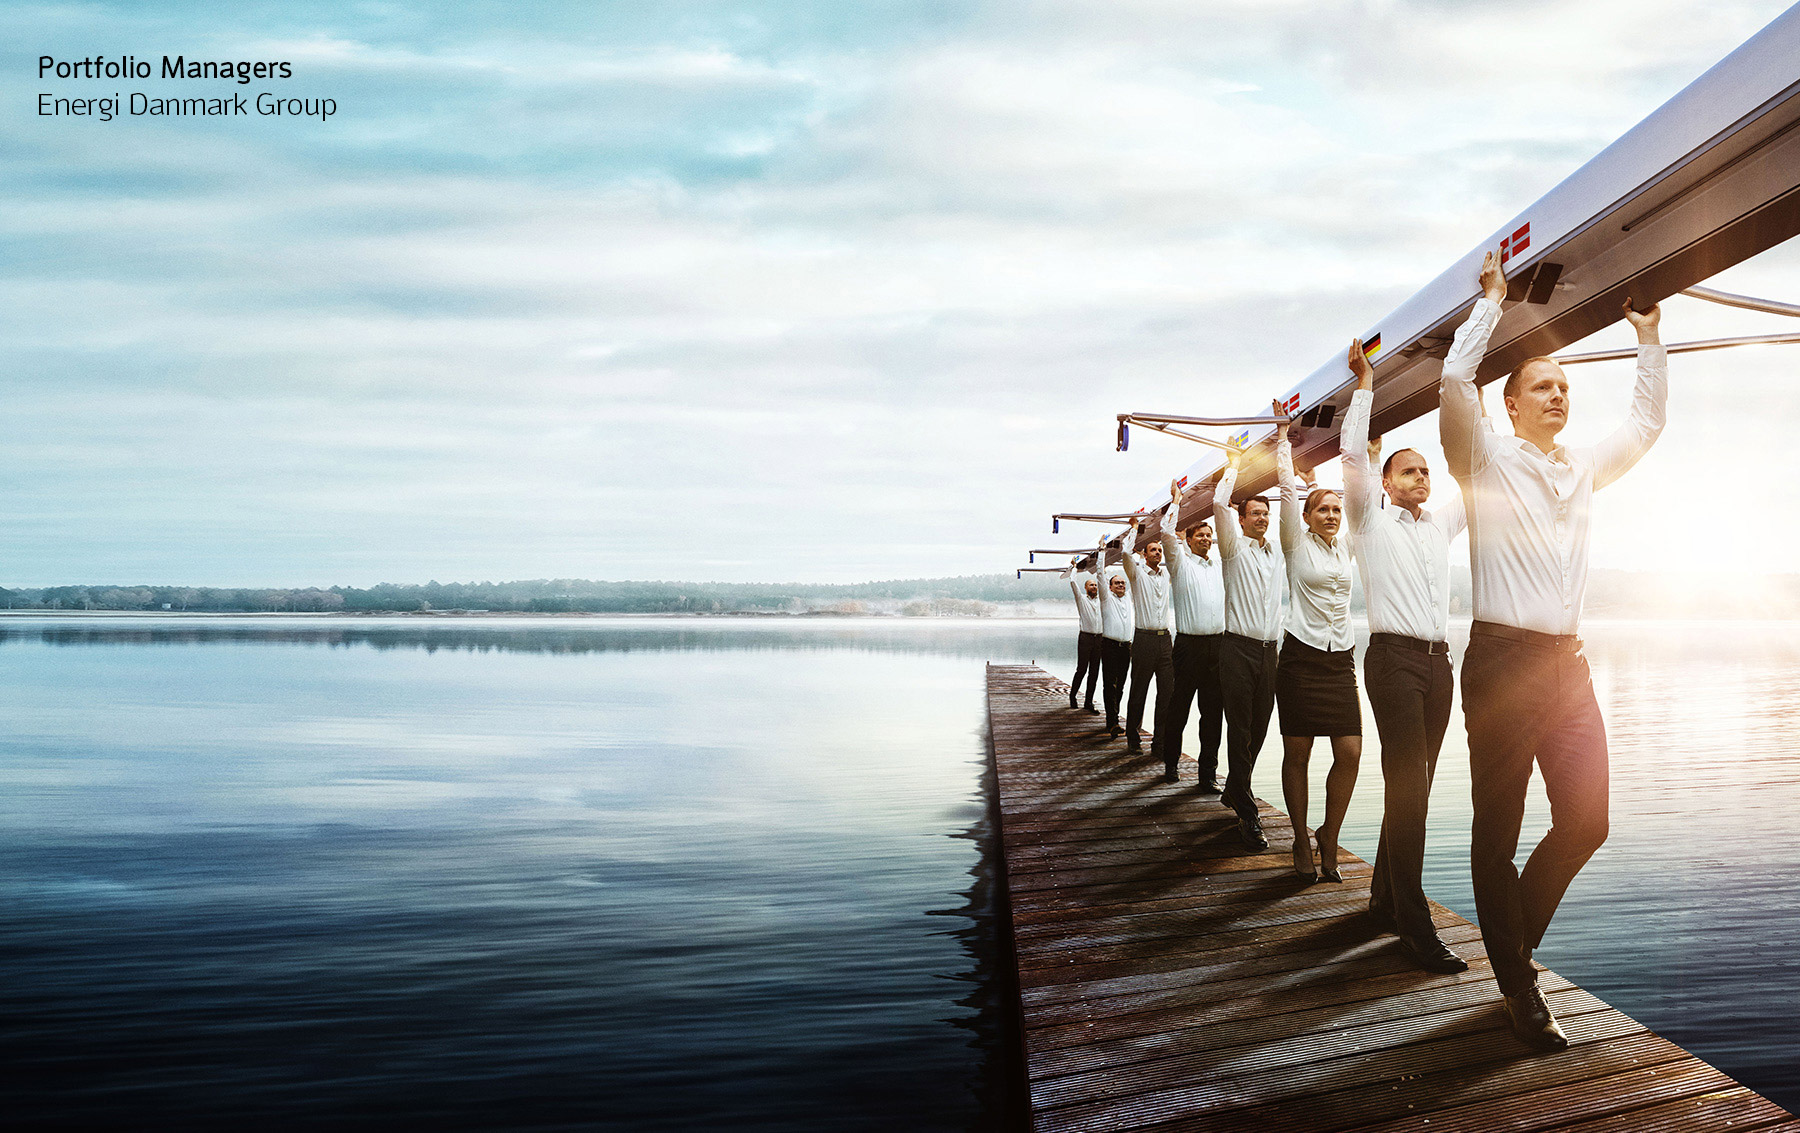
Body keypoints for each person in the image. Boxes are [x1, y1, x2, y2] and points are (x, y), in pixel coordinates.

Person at [1440, 251, 1667, 1051]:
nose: (1560, 393)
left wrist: (1647, 339)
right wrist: (1492, 309)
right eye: (1543, 384)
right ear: (1510, 402)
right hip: (1501, 661)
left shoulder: (1580, 469)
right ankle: (1519, 985)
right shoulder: (1484, 461)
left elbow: (1643, 427)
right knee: (1495, 831)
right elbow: (1452, 388)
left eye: (1566, 385)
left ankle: (1513, 949)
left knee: (1587, 818)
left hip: (1568, 666)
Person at [1342, 341, 1470, 973]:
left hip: (1438, 665)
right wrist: (1365, 386)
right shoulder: (1369, 523)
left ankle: (1381, 897)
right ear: (1387, 482)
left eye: (1427, 471)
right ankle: (1413, 926)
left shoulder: (1438, 527)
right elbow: (1351, 460)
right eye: (1411, 471)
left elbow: (1475, 474)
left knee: (1414, 787)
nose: (1423, 478)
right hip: (1392, 662)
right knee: (1408, 789)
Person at [1272, 406, 1362, 884]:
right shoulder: (1294, 543)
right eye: (1322, 509)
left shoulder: (1346, 547)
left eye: (1335, 510)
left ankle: (1330, 833)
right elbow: (1287, 491)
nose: (1330, 515)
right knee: (1299, 754)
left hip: (1340, 660)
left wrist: (1369, 455)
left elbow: (1364, 505)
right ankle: (1302, 840)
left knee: (1349, 752)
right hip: (1300, 658)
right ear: (1305, 517)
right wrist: (1284, 440)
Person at [1212, 448, 1284, 850]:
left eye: (1265, 514)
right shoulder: (1232, 549)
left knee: (1259, 727)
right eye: (1255, 513)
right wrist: (1234, 465)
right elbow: (1219, 502)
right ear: (1241, 520)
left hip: (1269, 651)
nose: (1262, 519)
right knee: (1238, 728)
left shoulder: (1276, 552)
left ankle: (1234, 789)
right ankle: (1246, 810)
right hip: (1237, 649)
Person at [1160, 479, 1226, 790]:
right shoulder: (1180, 566)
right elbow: (1165, 535)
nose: (1205, 539)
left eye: (1208, 536)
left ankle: (1207, 774)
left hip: (1217, 647)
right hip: (1187, 647)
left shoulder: (1219, 567)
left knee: (1213, 715)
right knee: (1179, 708)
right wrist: (1177, 502)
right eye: (1199, 535)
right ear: (1187, 541)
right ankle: (1171, 764)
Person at [1120, 516, 1176, 764]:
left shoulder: (1166, 576)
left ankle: (1159, 743)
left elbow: (1178, 555)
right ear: (1144, 555)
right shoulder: (1136, 575)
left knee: (1167, 693)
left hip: (1165, 641)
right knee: (1139, 691)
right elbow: (1124, 553)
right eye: (1153, 550)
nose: (1157, 553)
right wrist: (1133, 530)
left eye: (1159, 550)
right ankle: (1133, 737)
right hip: (1143, 640)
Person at [1093, 537, 1136, 738]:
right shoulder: (1106, 599)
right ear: (1110, 587)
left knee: (1121, 685)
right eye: (1117, 583)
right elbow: (1100, 575)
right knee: (1109, 684)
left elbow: (1134, 574)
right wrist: (1101, 551)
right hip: (1109, 645)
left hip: (1126, 647)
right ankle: (1112, 722)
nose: (1120, 585)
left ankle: (1115, 717)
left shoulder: (1128, 598)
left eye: (1122, 583)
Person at [1066, 559, 1103, 713]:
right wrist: (1074, 569)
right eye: (1091, 585)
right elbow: (1073, 583)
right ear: (1086, 588)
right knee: (1081, 669)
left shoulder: (1103, 601)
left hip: (1099, 639)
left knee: (1094, 672)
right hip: (1086, 638)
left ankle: (1089, 702)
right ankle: (1073, 695)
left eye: (1095, 585)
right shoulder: (1081, 599)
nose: (1094, 587)